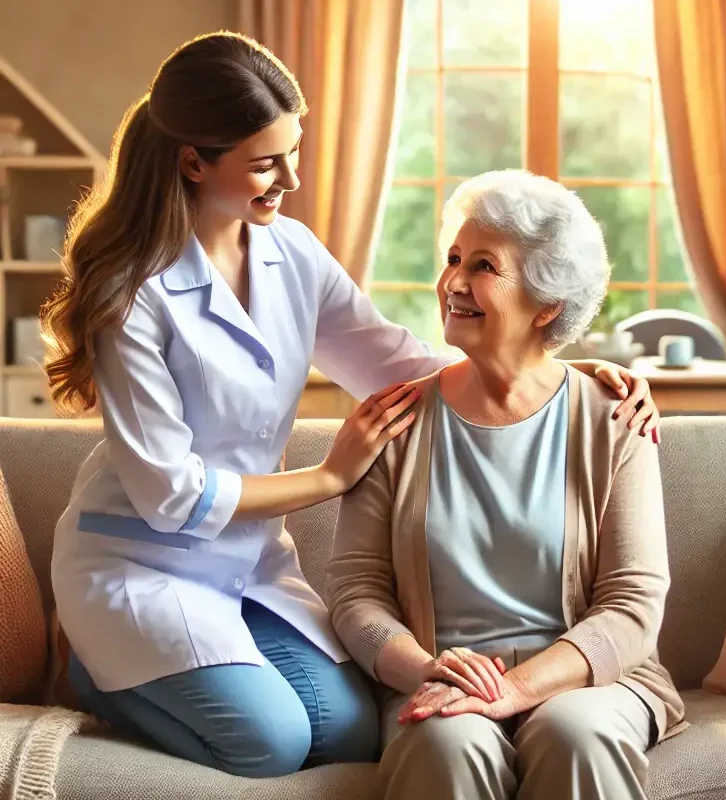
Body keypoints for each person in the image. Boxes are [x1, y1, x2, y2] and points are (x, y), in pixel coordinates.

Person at [42, 33, 661, 779]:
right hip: (142, 559)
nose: (291, 178)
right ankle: (92, 671)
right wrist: (329, 479)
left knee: (347, 734)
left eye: (292, 152)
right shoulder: (131, 294)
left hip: (245, 564)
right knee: (270, 742)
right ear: (193, 160)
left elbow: (394, 362)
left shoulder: (291, 252)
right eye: (266, 163)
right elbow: (170, 494)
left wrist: (548, 364)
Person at [327, 169, 686, 800]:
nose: (453, 282)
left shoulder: (613, 415)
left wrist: (518, 690)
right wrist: (426, 668)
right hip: (439, 679)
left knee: (578, 735)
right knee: (446, 739)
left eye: (484, 267)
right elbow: (357, 593)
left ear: (547, 303)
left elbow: (635, 602)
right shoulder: (396, 419)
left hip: (587, 683)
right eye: (453, 259)